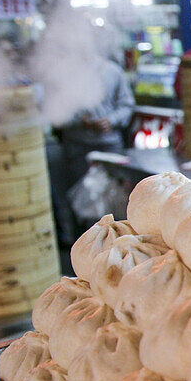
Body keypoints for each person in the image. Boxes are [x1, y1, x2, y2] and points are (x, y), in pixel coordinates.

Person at [56, 54, 135, 242]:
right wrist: (79, 121)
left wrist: (111, 120)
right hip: (77, 149)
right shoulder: (64, 74)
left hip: (110, 148)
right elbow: (55, 113)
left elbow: (126, 105)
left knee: (116, 202)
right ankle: (83, 247)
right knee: (79, 203)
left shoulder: (112, 71)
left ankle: (119, 244)